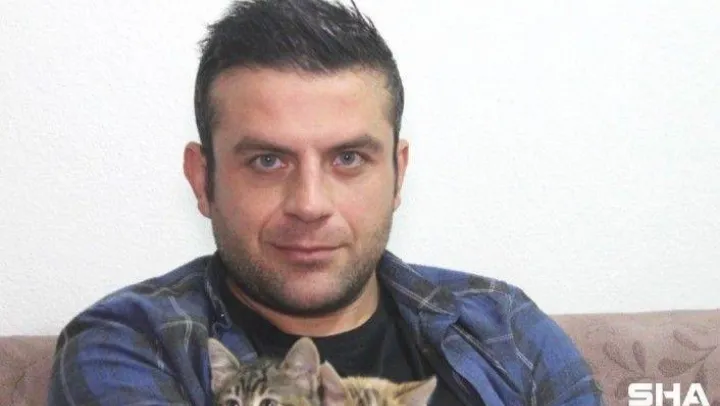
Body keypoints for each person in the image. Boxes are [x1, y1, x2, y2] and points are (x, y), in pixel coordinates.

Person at [47, 0, 603, 405]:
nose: (310, 204)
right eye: (268, 160)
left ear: (398, 174)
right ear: (203, 180)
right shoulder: (130, 344)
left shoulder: (506, 325)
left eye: (348, 158)